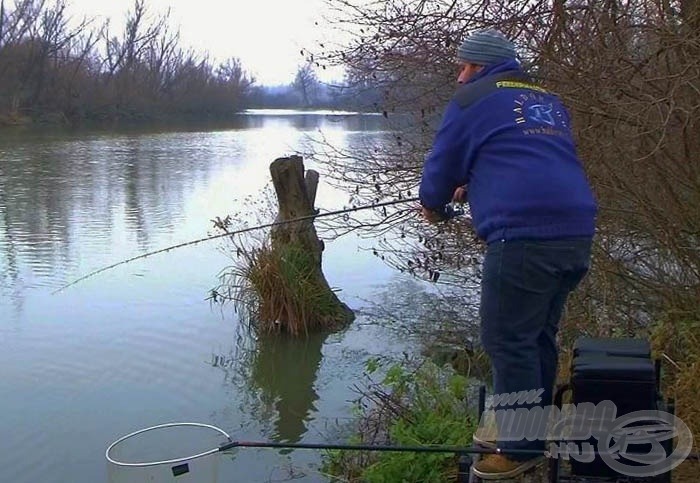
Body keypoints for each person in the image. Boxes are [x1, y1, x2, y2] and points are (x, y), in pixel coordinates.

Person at [418, 29, 597, 480]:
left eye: (463, 66)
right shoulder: (547, 98)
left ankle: (518, 450)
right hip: (575, 230)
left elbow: (440, 165)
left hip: (523, 237)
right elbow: (524, 156)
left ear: (479, 67)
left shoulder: (472, 99)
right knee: (537, 336)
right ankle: (531, 430)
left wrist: (434, 204)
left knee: (506, 340)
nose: (459, 76)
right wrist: (478, 180)